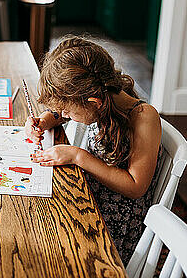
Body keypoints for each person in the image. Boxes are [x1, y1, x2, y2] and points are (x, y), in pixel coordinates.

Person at [26, 36, 164, 263]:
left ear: (94, 101)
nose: (65, 116)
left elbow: (135, 186)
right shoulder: (100, 99)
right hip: (87, 195)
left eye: (69, 112)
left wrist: (78, 155)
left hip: (111, 226)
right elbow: (60, 112)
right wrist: (43, 121)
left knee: (43, 243)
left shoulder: (143, 118)